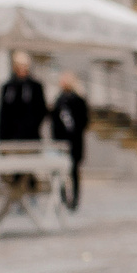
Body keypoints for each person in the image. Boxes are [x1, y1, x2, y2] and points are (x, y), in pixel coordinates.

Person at [50, 71, 90, 209]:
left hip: (74, 142)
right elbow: (54, 121)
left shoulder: (78, 100)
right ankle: (63, 198)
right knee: (61, 171)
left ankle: (75, 199)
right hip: (60, 143)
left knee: (74, 171)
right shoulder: (58, 100)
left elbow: (84, 121)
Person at [0, 51, 49, 142]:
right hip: (10, 136)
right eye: (19, 65)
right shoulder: (8, 86)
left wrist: (32, 125)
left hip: (31, 135)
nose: (21, 69)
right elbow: (3, 111)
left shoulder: (35, 86)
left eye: (24, 65)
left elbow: (41, 109)